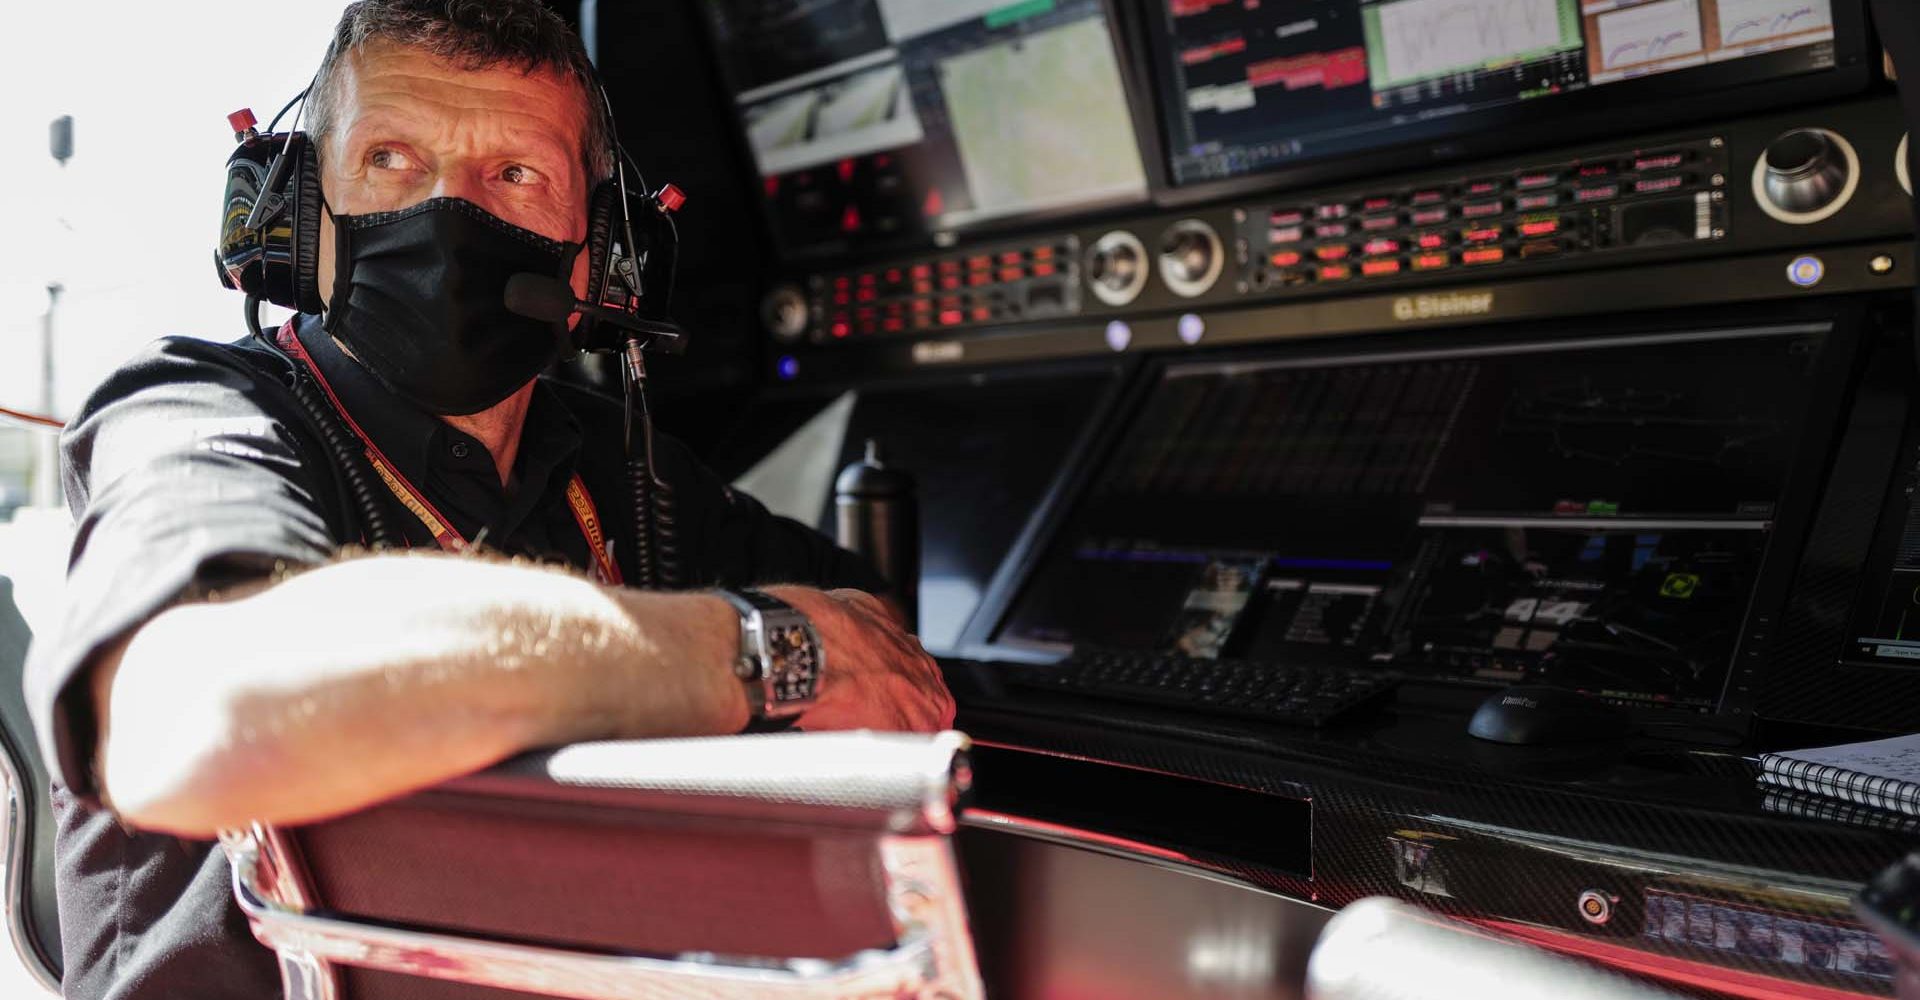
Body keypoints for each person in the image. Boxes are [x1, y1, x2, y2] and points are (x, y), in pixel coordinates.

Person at [22, 2, 954, 997]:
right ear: (299, 216)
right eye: (389, 158)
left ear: (602, 254)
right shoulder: (196, 409)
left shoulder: (624, 469)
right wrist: (762, 651)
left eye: (515, 173)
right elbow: (201, 716)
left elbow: (876, 648)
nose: (443, 215)